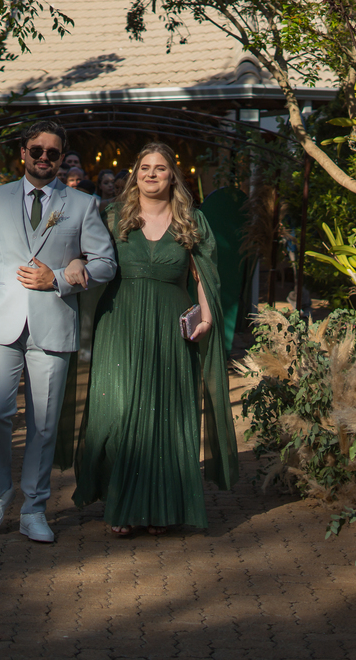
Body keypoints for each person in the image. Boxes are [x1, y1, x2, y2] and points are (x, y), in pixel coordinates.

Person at [59, 143, 239, 535]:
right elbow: (82, 253)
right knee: (116, 413)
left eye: (160, 168)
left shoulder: (192, 219)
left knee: (166, 417)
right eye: (144, 168)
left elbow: (204, 275)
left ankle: (159, 508)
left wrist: (207, 317)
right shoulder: (112, 216)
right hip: (119, 325)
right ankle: (122, 503)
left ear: (172, 175)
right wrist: (73, 262)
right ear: (135, 174)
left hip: (170, 328)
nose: (151, 174)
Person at [0, 121, 117, 543]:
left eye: (53, 153)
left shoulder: (82, 204)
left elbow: (105, 263)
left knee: (43, 423)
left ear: (61, 158)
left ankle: (34, 507)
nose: (44, 158)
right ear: (23, 152)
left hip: (53, 322)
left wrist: (59, 279)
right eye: (37, 150)